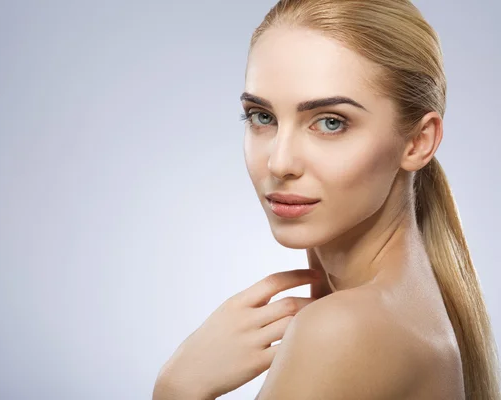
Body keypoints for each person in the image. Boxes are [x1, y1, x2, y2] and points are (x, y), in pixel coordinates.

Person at [153, 1, 500, 399]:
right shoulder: (414, 304)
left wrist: (176, 389)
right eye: (261, 117)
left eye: (330, 122)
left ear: (418, 142)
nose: (280, 162)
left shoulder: (344, 329)